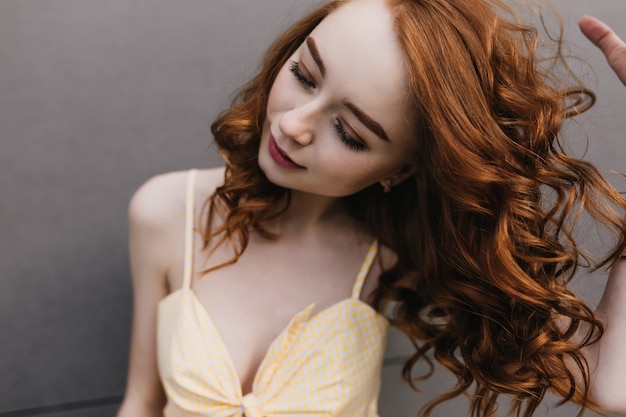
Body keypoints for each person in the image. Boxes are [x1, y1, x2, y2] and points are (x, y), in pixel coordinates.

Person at [117, 1, 626, 416]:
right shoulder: (165, 212)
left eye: (349, 132)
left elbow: (608, 384)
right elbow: (141, 403)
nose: (295, 124)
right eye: (305, 74)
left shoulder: (392, 257)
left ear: (400, 170)